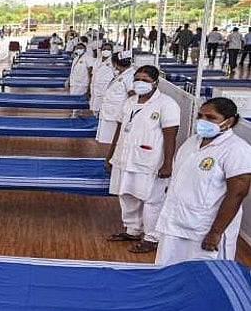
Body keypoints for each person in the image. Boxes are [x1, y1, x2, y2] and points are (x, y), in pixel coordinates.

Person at [155, 98, 251, 265]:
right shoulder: (192, 142)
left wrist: (216, 232)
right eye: (200, 116)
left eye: (211, 117)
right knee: (169, 269)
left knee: (203, 274)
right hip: (175, 222)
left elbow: (237, 194)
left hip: (205, 228)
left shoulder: (237, 149)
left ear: (229, 121)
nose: (203, 121)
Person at [106, 65, 180, 254]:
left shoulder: (166, 104)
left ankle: (152, 237)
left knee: (152, 200)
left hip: (151, 161)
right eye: (137, 79)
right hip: (125, 157)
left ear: (155, 82)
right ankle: (133, 230)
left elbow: (170, 136)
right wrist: (111, 155)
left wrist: (167, 163)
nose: (140, 83)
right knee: (126, 195)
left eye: (145, 80)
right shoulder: (130, 101)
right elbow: (120, 129)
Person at [96, 51, 135, 144]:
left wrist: (129, 115)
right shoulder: (121, 74)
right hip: (110, 112)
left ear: (115, 63)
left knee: (114, 140)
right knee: (108, 140)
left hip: (117, 114)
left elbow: (133, 96)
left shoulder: (129, 76)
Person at [89, 43, 114, 116]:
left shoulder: (113, 62)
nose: (106, 51)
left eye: (108, 49)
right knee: (95, 110)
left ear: (112, 51)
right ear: (101, 50)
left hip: (105, 90)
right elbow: (93, 74)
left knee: (103, 111)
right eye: (104, 49)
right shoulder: (97, 61)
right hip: (95, 88)